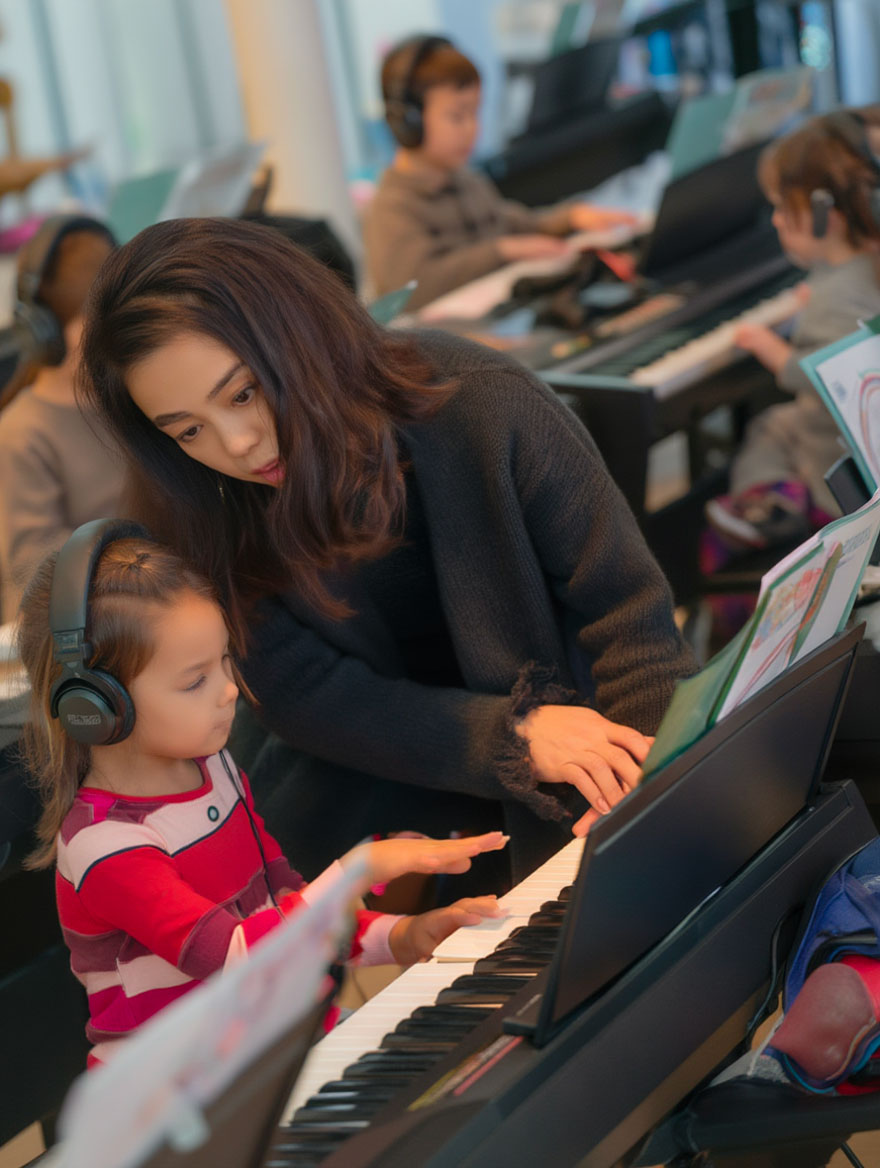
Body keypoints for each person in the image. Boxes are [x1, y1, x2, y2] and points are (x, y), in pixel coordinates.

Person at [77, 216, 696, 893]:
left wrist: (651, 796)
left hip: (584, 744)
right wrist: (508, 737)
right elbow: (306, 697)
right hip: (386, 768)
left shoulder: (479, 401)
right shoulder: (202, 508)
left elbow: (628, 617)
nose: (237, 446)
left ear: (299, 331)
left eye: (245, 393)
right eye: (189, 429)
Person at [17, 523, 506, 1065]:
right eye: (193, 680)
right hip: (183, 1107)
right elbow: (236, 954)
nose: (230, 690)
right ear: (95, 707)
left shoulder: (218, 770)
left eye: (225, 660)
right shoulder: (104, 846)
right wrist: (355, 871)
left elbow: (282, 910)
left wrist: (402, 937)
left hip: (276, 1059)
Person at [705, 107, 880, 555]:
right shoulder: (860, 267)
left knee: (772, 427)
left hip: (835, 453)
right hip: (853, 434)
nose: (777, 221)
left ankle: (776, 507)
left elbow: (815, 373)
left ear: (824, 214)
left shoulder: (837, 296)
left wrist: (767, 345)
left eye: (784, 208)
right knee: (774, 425)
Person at [364, 34, 634, 309]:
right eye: (458, 116)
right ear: (409, 123)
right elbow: (415, 288)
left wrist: (573, 218)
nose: (473, 128)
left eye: (476, 113)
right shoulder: (393, 207)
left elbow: (518, 225)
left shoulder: (467, 181)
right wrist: (502, 250)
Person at [0, 215, 126, 622]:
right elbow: (34, 572)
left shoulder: (126, 399)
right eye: (93, 328)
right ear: (45, 334)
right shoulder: (23, 432)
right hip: (88, 625)